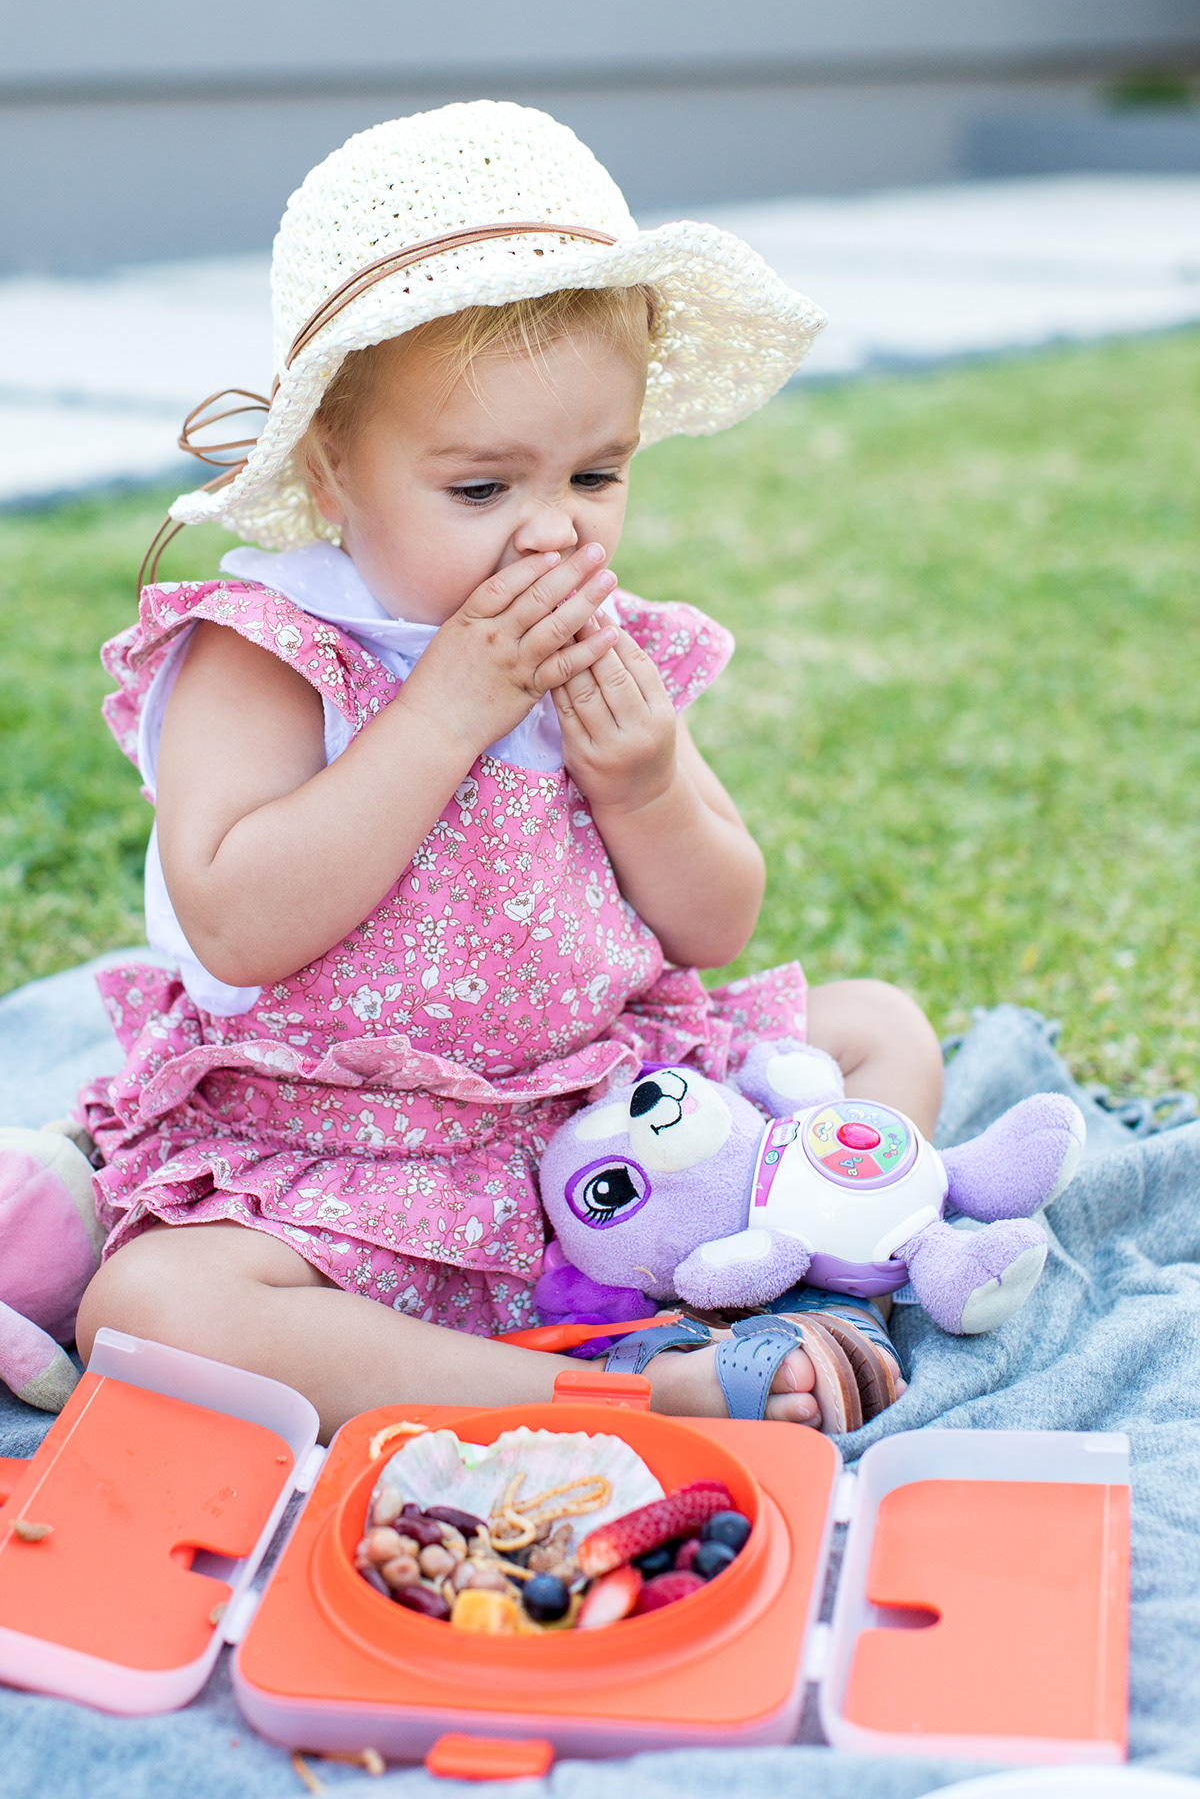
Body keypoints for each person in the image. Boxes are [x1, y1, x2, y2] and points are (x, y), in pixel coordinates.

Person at [74, 102, 944, 1440]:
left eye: (596, 474)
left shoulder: (606, 643)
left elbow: (717, 926)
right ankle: (630, 1391)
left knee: (883, 1027)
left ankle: (800, 1282)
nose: (550, 531)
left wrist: (644, 780)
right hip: (355, 1152)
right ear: (331, 469)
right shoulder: (269, 652)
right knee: (152, 1306)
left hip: (606, 1114)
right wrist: (440, 717)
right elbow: (238, 923)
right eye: (481, 489)